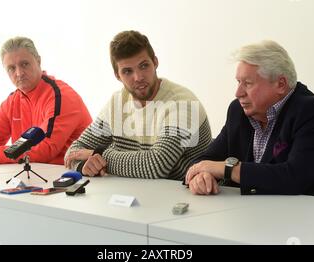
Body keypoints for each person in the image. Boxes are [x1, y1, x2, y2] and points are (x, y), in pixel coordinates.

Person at [185, 40, 314, 202]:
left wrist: (228, 169)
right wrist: (201, 176)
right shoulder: (238, 111)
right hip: (262, 215)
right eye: (238, 82)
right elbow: (205, 161)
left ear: (281, 84)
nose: (238, 92)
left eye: (247, 83)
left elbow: (293, 178)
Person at [64, 30, 211, 180]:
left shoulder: (182, 103)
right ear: (117, 75)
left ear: (155, 62)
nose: (138, 77)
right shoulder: (118, 102)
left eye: (144, 66)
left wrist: (99, 155)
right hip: (137, 192)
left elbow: (156, 166)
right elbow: (73, 152)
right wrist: (86, 166)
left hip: (188, 196)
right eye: (127, 71)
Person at [0, 36, 92, 164]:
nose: (19, 73)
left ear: (38, 61)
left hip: (73, 178)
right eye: (11, 68)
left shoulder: (60, 96)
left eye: (24, 64)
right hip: (36, 176)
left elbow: (45, 149)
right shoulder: (12, 101)